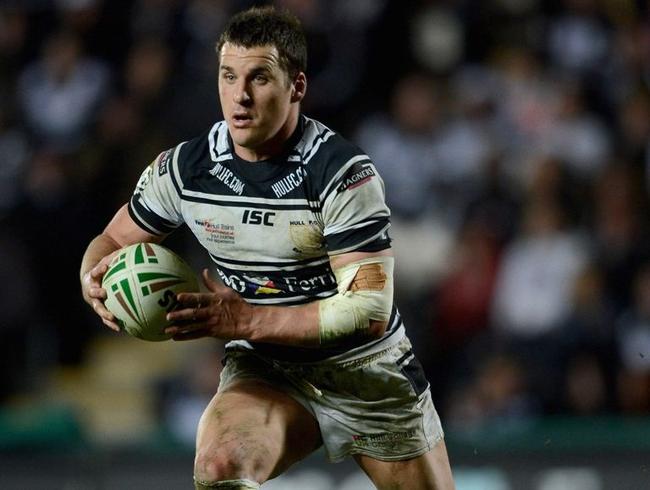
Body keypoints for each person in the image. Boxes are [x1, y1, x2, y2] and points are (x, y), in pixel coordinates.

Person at [80, 7, 455, 490]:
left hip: (366, 371)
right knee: (220, 469)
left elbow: (368, 310)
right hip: (267, 367)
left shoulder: (342, 174)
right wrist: (91, 275)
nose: (239, 95)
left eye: (259, 78)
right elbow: (113, 240)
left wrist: (247, 321)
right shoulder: (185, 169)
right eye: (228, 76)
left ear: (296, 86)